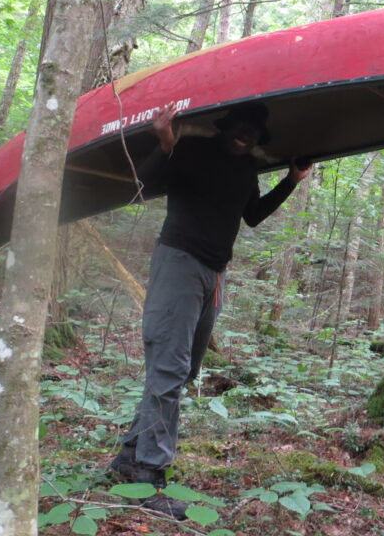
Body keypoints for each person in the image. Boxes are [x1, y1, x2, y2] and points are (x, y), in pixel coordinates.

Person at [107, 101, 310, 518]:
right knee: (169, 365)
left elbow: (252, 216)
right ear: (225, 126)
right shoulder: (193, 150)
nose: (244, 136)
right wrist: (164, 142)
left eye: (252, 133)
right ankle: (150, 477)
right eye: (239, 128)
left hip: (215, 274)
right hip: (179, 261)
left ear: (258, 139)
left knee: (186, 370)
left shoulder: (246, 169)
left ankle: (129, 456)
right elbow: (140, 184)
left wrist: (291, 180)